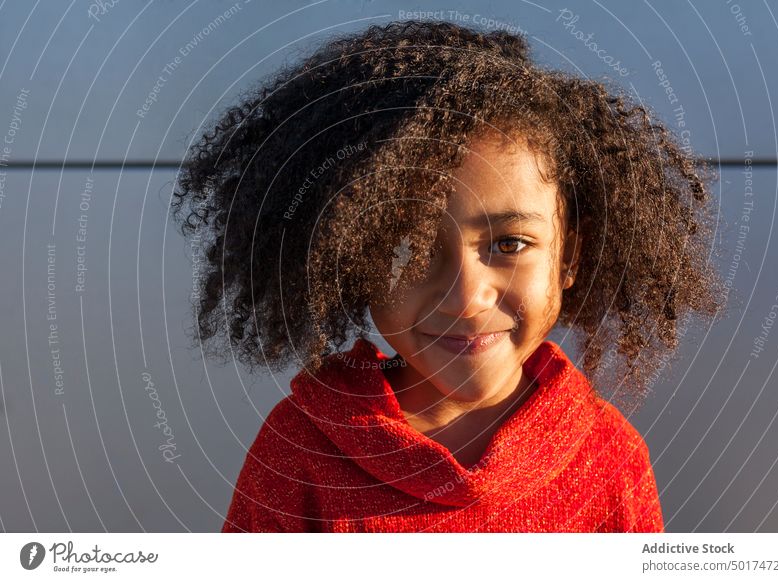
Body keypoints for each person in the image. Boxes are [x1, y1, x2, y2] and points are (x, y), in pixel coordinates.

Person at [171, 20, 723, 532]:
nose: (465, 297)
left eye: (510, 244)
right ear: (351, 257)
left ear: (570, 257)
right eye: (409, 250)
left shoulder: (607, 457)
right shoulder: (300, 448)